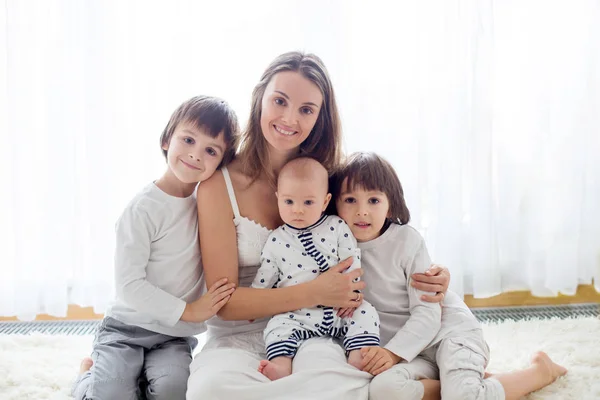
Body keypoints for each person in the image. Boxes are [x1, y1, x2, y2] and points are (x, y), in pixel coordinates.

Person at [187, 51, 451, 400]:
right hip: (242, 333)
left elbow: (384, 235)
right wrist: (314, 291)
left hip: (320, 325)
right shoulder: (218, 186)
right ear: (259, 99)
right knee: (211, 392)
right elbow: (226, 303)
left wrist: (436, 274)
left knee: (331, 386)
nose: (289, 118)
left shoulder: (327, 177)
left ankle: (444, 382)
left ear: (319, 117)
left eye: (306, 109)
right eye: (279, 101)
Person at [332, 151, 568, 400]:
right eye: (350, 200)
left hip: (447, 335)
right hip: (415, 353)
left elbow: (428, 313)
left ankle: (540, 372)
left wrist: (392, 354)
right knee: (383, 390)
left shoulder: (406, 241)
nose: (362, 211)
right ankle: (462, 380)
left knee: (464, 396)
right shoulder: (334, 248)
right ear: (334, 203)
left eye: (373, 201)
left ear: (390, 204)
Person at [72, 96, 240, 400]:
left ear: (221, 162)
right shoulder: (143, 209)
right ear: (166, 139)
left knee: (174, 390)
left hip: (173, 335)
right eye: (188, 139)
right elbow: (128, 284)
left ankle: (129, 379)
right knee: (110, 394)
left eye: (210, 150)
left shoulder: (207, 206)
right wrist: (189, 310)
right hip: (125, 329)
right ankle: (86, 378)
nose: (195, 155)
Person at [252, 157, 380, 381]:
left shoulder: (336, 226)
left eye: (308, 203)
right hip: (297, 312)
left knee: (366, 313)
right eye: (289, 202)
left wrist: (353, 294)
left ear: (324, 201)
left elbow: (351, 259)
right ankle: (281, 365)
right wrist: (255, 300)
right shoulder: (276, 240)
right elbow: (266, 275)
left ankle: (359, 355)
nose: (298, 210)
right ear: (278, 199)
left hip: (341, 308)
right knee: (277, 325)